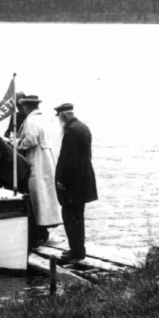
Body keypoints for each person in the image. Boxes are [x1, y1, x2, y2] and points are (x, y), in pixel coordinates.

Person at [15, 94, 62, 248]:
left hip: (36, 160)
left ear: (26, 106)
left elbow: (31, 139)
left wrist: (16, 144)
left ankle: (38, 233)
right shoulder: (44, 119)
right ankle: (44, 231)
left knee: (36, 196)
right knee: (45, 196)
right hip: (46, 160)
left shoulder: (31, 120)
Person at [53, 102, 98, 262]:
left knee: (70, 216)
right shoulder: (83, 127)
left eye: (59, 117)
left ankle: (76, 251)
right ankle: (78, 250)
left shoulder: (71, 131)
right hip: (83, 180)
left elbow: (68, 159)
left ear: (63, 115)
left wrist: (61, 181)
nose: (60, 120)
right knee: (77, 217)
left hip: (73, 184)